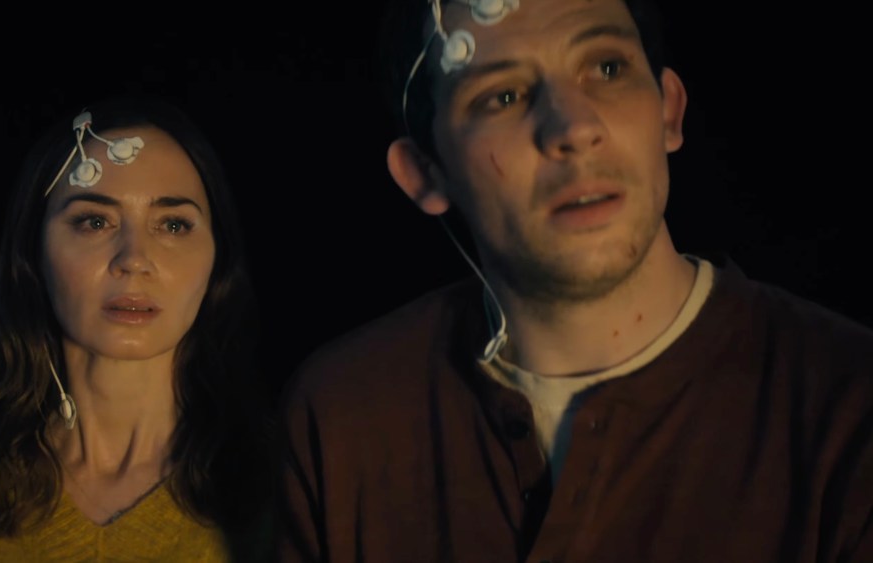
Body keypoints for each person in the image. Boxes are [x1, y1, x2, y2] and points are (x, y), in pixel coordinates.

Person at [275, 0, 873, 561]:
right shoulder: (344, 416)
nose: (574, 127)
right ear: (424, 172)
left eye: (608, 68)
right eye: (503, 96)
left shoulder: (848, 408)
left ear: (668, 110)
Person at [0, 98, 273, 562]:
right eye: (95, 221)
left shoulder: (291, 481)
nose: (134, 260)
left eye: (173, 224)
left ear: (217, 258)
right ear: (34, 252)